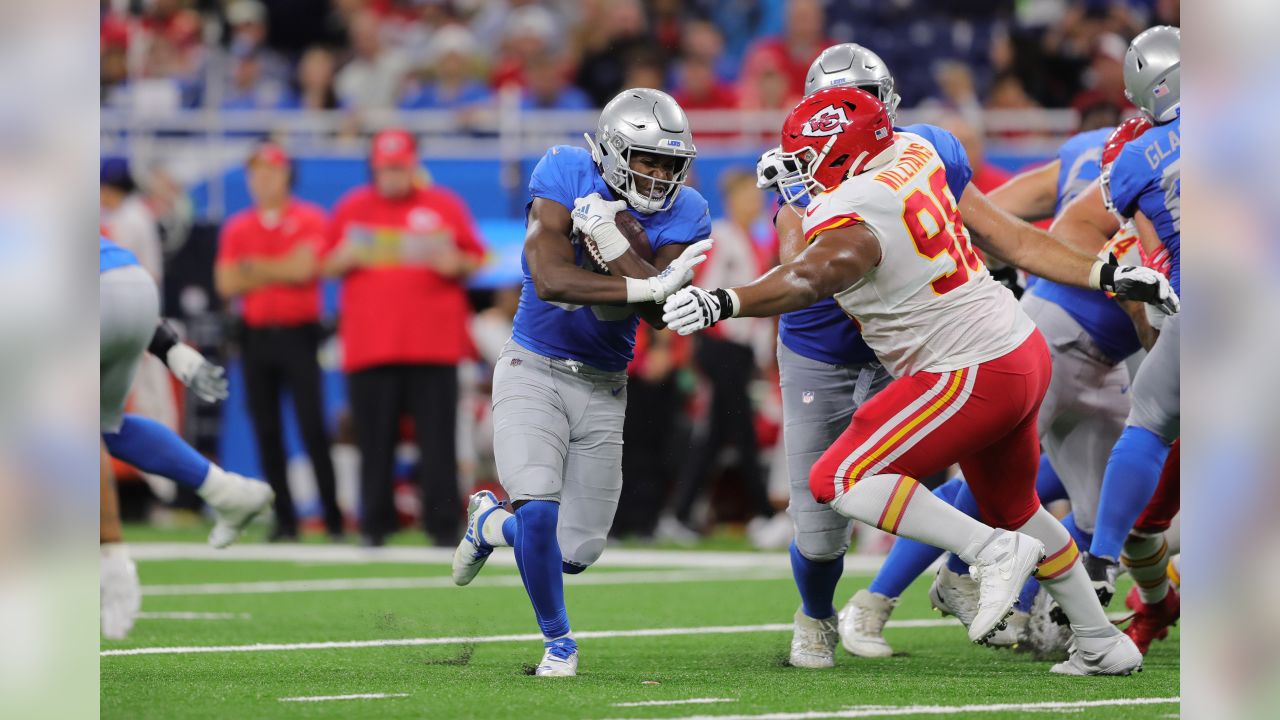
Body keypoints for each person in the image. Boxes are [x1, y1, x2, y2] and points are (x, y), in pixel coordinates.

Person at [664, 85, 1175, 675]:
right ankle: (1101, 643)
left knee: (839, 476)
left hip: (966, 368)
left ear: (842, 155)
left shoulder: (856, 211)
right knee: (1017, 506)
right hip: (1018, 346)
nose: (801, 172)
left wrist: (723, 300)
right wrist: (1104, 273)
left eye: (809, 158)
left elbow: (809, 276)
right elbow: (1009, 235)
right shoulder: (917, 150)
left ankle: (987, 553)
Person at [450, 88, 713, 676]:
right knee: (540, 509)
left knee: (574, 552)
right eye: (648, 160)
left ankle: (491, 523)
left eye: (670, 163)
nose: (660, 175)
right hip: (533, 365)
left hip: (604, 385)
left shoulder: (687, 210)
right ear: (615, 152)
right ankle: (558, 641)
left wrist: (615, 242)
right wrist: (647, 280)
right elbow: (549, 277)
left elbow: (659, 315)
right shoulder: (566, 169)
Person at [1051, 25, 1181, 630]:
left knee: (1148, 426)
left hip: (1197, 303)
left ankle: (1100, 562)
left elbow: (1147, 244)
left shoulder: (1132, 158)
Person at [323, 129, 487, 547]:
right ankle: (375, 526)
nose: (392, 175)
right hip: (370, 345)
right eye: (385, 167)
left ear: (413, 165)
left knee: (437, 441)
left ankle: (443, 526)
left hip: (433, 345)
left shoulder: (443, 205)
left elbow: (476, 257)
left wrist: (457, 262)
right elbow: (324, 263)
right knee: (374, 442)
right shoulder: (352, 208)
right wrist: (342, 258)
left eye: (399, 166)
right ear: (374, 167)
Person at [100, 236, 273, 551]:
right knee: (105, 425)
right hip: (133, 285)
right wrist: (171, 347)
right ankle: (226, 491)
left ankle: (111, 566)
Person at [215, 142, 344, 542]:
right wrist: (280, 269)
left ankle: (333, 517)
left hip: (298, 335)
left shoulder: (309, 217)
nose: (261, 181)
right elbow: (226, 283)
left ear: (286, 176)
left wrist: (253, 268)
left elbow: (306, 268)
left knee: (311, 426)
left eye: (269, 172)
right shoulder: (238, 225)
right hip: (256, 337)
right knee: (266, 430)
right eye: (255, 173)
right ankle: (284, 519)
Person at [666, 170, 775, 538]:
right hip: (720, 342)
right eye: (747, 196)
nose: (754, 204)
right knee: (740, 428)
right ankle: (762, 514)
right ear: (732, 200)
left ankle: (681, 513)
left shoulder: (753, 240)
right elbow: (707, 287)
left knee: (718, 431)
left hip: (737, 347)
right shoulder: (724, 237)